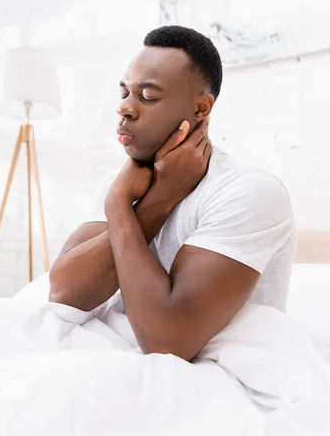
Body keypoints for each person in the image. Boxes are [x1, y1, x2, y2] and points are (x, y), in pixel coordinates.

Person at [49, 25, 295, 361]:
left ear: (200, 110)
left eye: (148, 96)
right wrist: (143, 201)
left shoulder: (248, 192)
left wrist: (123, 208)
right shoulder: (121, 183)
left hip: (223, 374)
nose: (125, 109)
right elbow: (63, 293)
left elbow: (167, 344)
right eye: (124, 94)